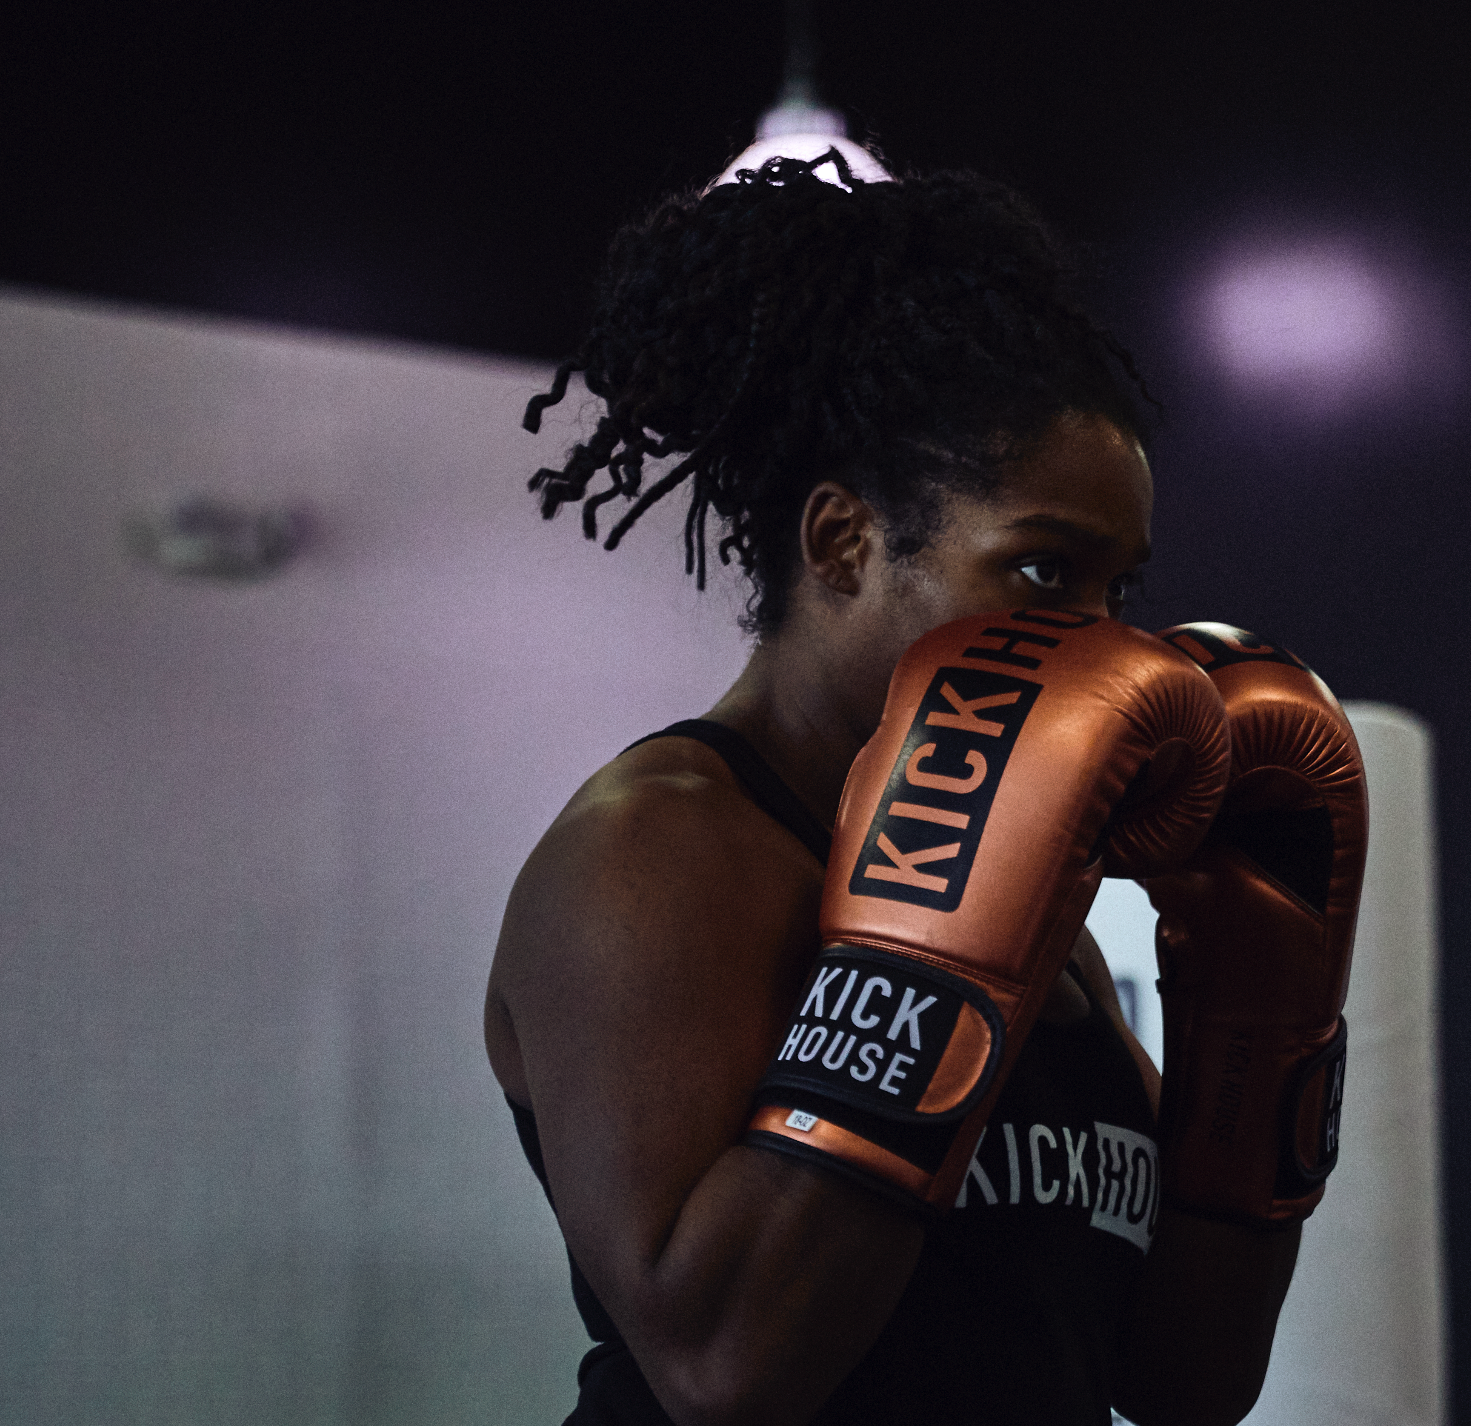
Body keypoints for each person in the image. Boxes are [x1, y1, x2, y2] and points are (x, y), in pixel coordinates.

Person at [483, 153, 1316, 1426]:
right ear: (842, 543)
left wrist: (1261, 1021)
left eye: (1120, 590)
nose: (1103, 639)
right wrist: (931, 941)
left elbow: (1183, 1380)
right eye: (1044, 573)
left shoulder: (1041, 903)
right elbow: (726, 1368)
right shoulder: (654, 853)